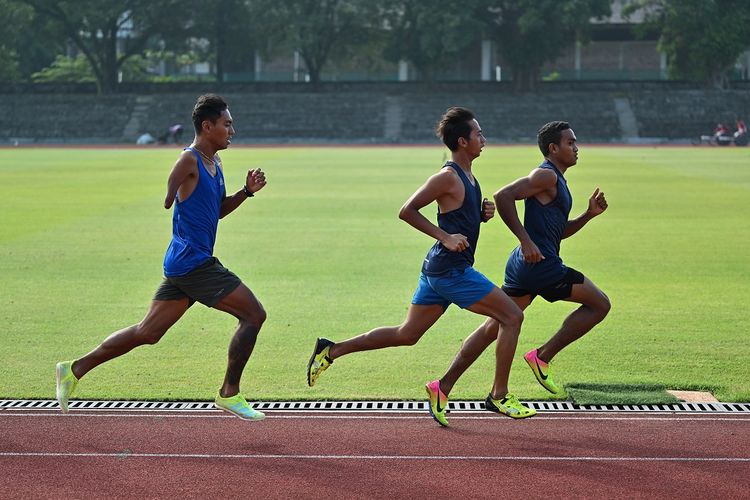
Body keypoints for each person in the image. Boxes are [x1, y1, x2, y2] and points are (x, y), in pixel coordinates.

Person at [307, 107, 534, 426]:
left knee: (407, 333)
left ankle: (331, 350)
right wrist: (445, 236)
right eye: (478, 133)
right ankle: (499, 395)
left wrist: (479, 214)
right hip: (450, 271)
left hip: (439, 271)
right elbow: (407, 210)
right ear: (462, 141)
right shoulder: (447, 176)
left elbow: (456, 216)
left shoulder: (469, 176)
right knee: (512, 315)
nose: (483, 138)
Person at [56, 94, 268, 420]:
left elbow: (217, 211)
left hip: (184, 262)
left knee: (148, 332)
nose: (232, 130)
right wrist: (174, 190)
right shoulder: (190, 160)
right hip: (194, 262)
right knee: (253, 315)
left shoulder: (216, 163)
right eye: (227, 124)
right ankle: (230, 393)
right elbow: (170, 197)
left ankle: (73, 369)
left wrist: (246, 192)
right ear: (207, 126)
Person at [434, 121, 610, 400]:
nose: (576, 148)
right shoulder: (546, 176)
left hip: (525, 265)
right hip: (542, 267)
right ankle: (542, 357)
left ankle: (442, 386)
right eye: (570, 143)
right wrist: (525, 241)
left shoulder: (556, 180)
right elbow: (504, 196)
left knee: (494, 326)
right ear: (553, 148)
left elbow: (556, 233)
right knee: (600, 304)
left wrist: (588, 215)